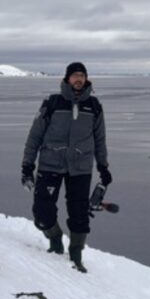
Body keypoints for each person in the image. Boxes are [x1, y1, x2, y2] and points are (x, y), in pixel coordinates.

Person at [21, 62, 111, 272]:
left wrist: (104, 167)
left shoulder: (94, 106)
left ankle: (76, 254)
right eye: (75, 76)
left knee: (79, 214)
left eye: (82, 75)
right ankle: (54, 238)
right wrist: (27, 165)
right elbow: (34, 136)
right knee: (42, 213)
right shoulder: (52, 103)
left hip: (80, 168)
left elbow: (100, 140)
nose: (78, 79)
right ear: (67, 78)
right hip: (50, 164)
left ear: (86, 79)